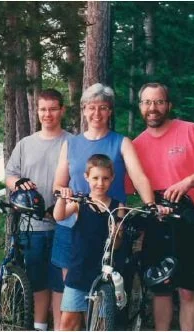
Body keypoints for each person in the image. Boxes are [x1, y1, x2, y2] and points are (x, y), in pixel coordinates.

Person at [52, 83, 163, 303]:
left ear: (109, 111)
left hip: (110, 223)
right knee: (73, 293)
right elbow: (58, 184)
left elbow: (139, 177)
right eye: (91, 107)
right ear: (84, 110)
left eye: (103, 107)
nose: (97, 113)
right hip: (74, 223)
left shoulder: (121, 143)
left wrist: (150, 204)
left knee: (107, 293)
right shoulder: (70, 144)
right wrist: (64, 195)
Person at [129, 82, 194, 330]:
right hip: (158, 222)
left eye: (159, 102)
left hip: (193, 219)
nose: (153, 108)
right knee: (160, 288)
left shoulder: (190, 131)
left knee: (188, 291)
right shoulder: (136, 145)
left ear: (168, 105)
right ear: (140, 107)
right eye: (147, 102)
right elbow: (124, 185)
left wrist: (188, 181)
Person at [5, 88, 72, 331]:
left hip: (63, 224)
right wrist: (18, 184)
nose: (48, 114)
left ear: (62, 110)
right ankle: (39, 325)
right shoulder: (25, 144)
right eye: (43, 109)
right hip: (30, 226)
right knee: (37, 281)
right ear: (37, 111)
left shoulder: (72, 142)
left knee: (59, 283)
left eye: (53, 108)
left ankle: (60, 327)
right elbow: (10, 175)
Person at [53, 154, 121, 330]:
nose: (100, 183)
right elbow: (59, 216)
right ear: (86, 177)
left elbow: (118, 245)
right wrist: (62, 198)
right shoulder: (80, 202)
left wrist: (116, 234)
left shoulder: (117, 206)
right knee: (67, 321)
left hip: (103, 272)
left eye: (105, 178)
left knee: (101, 323)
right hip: (78, 270)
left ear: (112, 178)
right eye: (95, 178)